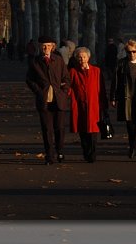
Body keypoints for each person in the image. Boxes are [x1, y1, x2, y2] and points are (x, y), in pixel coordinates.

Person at [25, 33, 71, 165]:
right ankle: (49, 155)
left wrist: (64, 91)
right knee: (47, 129)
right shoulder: (35, 62)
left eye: (48, 46)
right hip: (44, 99)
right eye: (43, 46)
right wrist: (38, 91)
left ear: (53, 47)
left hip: (59, 99)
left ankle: (60, 151)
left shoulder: (58, 60)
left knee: (59, 127)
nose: (46, 48)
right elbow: (29, 79)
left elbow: (66, 78)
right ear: (40, 47)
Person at [69, 46, 109, 162]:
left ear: (88, 57)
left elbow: (101, 89)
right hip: (79, 105)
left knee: (92, 132)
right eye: (80, 57)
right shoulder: (73, 71)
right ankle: (86, 151)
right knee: (82, 131)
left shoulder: (96, 71)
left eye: (84, 57)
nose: (82, 59)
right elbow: (69, 88)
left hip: (94, 105)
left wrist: (104, 105)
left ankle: (92, 154)